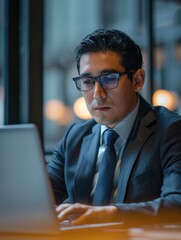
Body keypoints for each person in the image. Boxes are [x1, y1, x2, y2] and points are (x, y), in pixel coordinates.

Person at [47, 29, 181, 227]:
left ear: (137, 80)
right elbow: (41, 199)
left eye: (109, 79)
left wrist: (108, 215)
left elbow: (176, 205)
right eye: (87, 82)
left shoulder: (171, 131)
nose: (97, 94)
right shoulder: (74, 136)